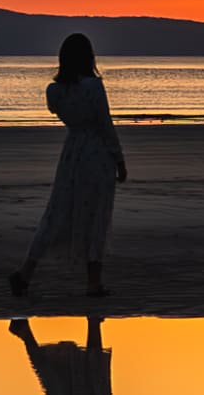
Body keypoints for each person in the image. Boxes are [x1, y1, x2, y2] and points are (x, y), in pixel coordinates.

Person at [9, 31, 127, 306]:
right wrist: (119, 159)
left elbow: (60, 112)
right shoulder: (94, 88)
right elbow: (104, 124)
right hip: (96, 155)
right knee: (96, 215)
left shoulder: (55, 91)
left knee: (57, 213)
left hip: (72, 154)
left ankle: (25, 273)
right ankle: (93, 281)